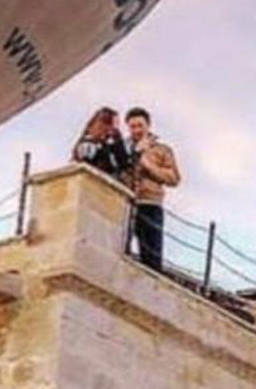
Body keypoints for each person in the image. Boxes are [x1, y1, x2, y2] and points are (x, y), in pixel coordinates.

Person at [124, 106, 181, 271]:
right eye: (132, 126)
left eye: (140, 125)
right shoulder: (123, 148)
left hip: (150, 204)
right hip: (125, 202)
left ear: (148, 125)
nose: (136, 130)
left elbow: (174, 178)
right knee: (119, 248)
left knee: (152, 257)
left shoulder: (162, 150)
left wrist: (148, 166)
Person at [72, 108, 131, 181]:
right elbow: (86, 165)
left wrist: (118, 140)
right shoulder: (88, 144)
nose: (116, 128)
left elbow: (124, 164)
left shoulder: (108, 145)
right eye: (114, 124)